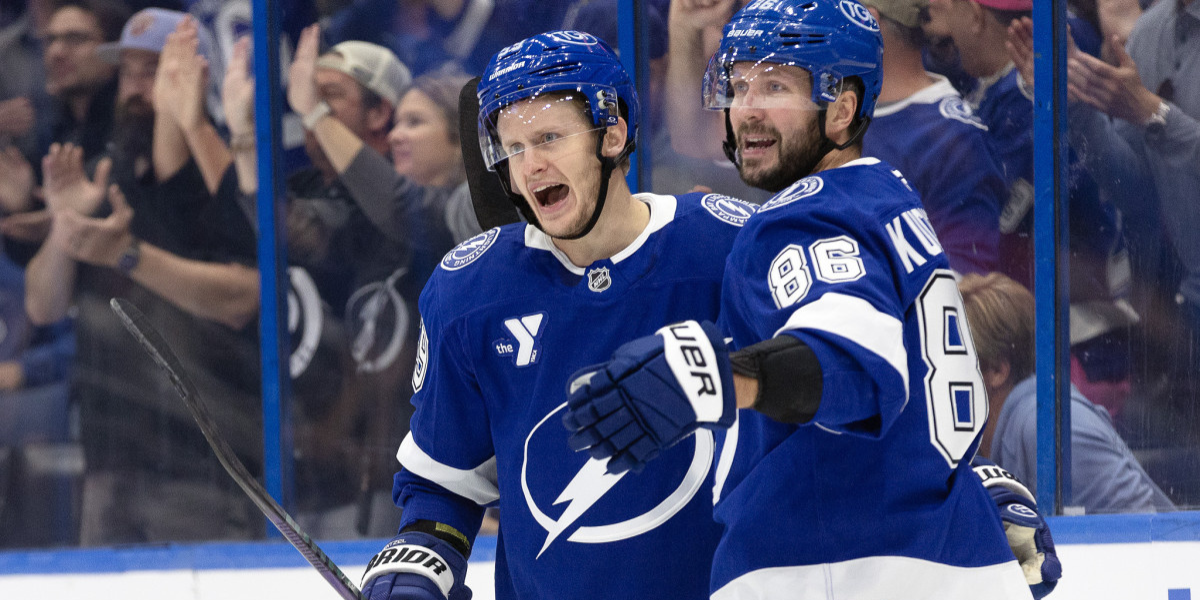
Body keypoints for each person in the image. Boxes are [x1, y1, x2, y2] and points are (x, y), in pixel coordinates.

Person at [562, 1, 1042, 597]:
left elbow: (853, 366)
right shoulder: (883, 197)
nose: (747, 108)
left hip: (841, 567)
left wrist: (721, 377)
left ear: (842, 110)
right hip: (946, 550)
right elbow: (906, 386)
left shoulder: (809, 212)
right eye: (737, 85)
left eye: (776, 85)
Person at [359, 30, 750, 600]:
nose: (531, 165)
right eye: (514, 149)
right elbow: (444, 484)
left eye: (549, 138)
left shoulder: (725, 249)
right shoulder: (473, 292)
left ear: (612, 133)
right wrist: (416, 569)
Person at [24, 7, 261, 545]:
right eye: (128, 71)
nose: (135, 86)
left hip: (201, 465)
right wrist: (67, 228)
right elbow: (41, 306)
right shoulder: (108, 170)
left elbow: (242, 298)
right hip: (109, 459)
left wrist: (126, 254)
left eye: (154, 70)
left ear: (194, 77)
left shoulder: (215, 176)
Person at [959, 271, 1175, 514]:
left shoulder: (1047, 429)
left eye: (950, 358)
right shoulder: (1000, 437)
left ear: (997, 369)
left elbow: (1145, 537)